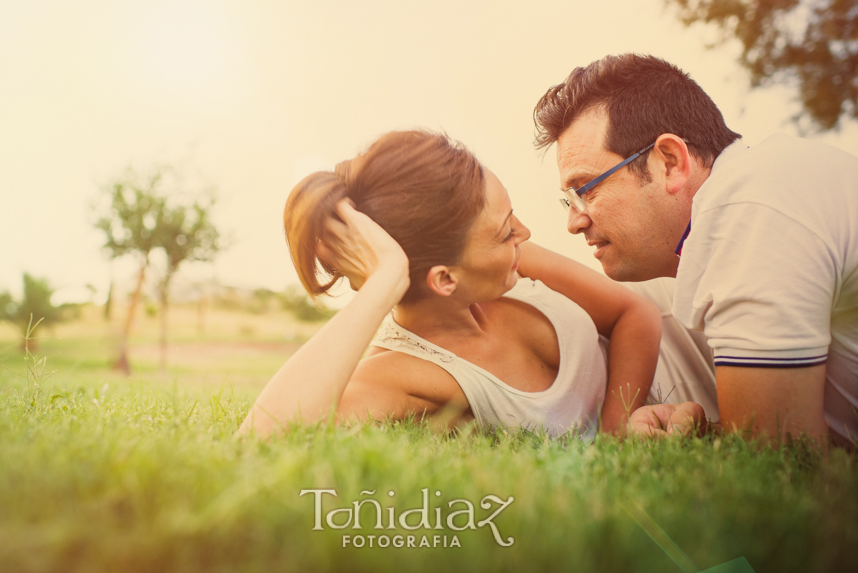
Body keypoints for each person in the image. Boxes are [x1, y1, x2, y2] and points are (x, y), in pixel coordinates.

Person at [238, 130, 713, 440]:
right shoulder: (401, 371)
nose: (524, 234)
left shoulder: (509, 263)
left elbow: (635, 314)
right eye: (505, 231)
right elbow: (265, 438)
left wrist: (616, 435)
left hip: (695, 340)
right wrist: (384, 278)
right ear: (445, 279)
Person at [532, 54, 858, 449]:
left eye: (586, 190)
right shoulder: (763, 182)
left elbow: (778, 463)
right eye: (570, 201)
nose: (575, 221)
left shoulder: (749, 210)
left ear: (670, 161)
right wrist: (702, 433)